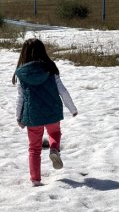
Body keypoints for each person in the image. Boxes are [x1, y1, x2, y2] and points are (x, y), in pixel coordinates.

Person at [13, 38, 77, 187]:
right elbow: (62, 90)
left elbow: (20, 98)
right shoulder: (50, 69)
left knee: (34, 148)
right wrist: (72, 109)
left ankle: (35, 179)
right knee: (54, 134)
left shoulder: (22, 74)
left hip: (33, 115)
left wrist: (19, 116)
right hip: (52, 111)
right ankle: (54, 149)